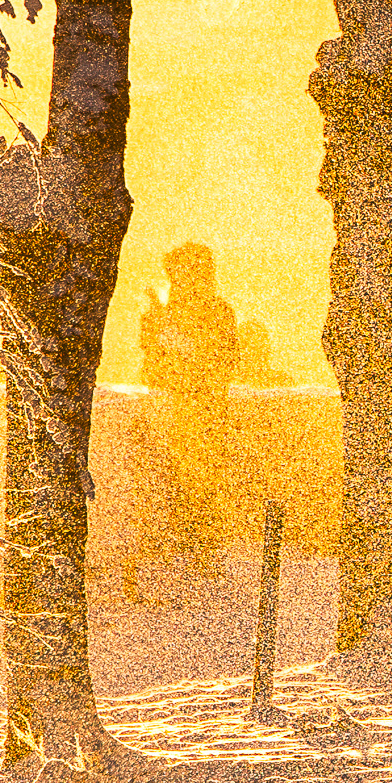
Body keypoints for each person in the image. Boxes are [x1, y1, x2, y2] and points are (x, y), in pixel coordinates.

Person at [138, 243, 243, 572]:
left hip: (201, 417)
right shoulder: (166, 315)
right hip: (175, 417)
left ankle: (199, 556)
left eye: (188, 275)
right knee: (173, 487)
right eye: (178, 276)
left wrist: (182, 369)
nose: (182, 283)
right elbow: (152, 370)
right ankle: (187, 557)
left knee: (198, 488)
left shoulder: (216, 313)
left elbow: (223, 364)